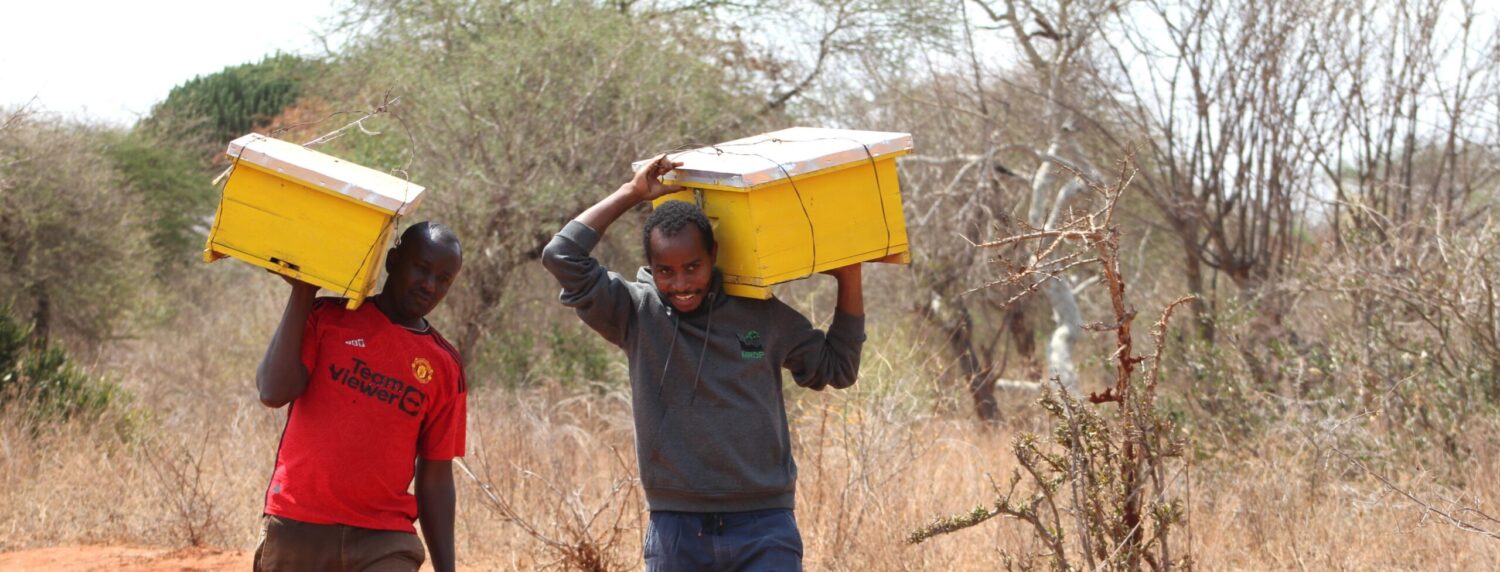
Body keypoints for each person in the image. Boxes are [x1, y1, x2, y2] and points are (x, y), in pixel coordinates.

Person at [541, 155, 866, 570]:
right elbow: (561, 255)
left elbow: (839, 367)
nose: (681, 284)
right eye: (666, 271)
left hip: (764, 525)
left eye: (692, 267)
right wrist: (633, 193)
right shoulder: (635, 314)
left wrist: (850, 277)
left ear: (713, 254)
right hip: (677, 530)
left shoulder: (761, 315)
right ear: (651, 268)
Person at [253, 221, 467, 572]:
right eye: (422, 269)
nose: (429, 286)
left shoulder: (444, 365)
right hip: (297, 526)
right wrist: (304, 292)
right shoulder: (329, 318)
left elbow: (436, 474)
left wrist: (448, 569)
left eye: (444, 279)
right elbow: (273, 391)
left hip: (383, 541)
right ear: (393, 261)